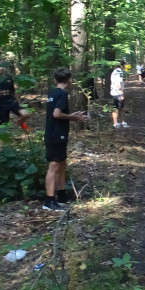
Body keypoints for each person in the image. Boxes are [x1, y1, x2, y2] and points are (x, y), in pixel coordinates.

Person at [43, 67, 89, 211]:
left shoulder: (53, 93)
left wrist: (70, 116)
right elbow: (57, 114)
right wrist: (73, 117)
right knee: (54, 166)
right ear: (70, 79)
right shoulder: (62, 94)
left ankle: (61, 195)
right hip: (56, 135)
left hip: (53, 133)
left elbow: (55, 113)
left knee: (62, 164)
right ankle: (49, 201)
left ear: (55, 80)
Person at [0, 61, 31, 131]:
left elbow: (13, 92)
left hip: (11, 102)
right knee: (3, 127)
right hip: (1, 105)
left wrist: (18, 102)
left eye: (3, 65)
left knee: (25, 114)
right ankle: (3, 140)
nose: (1, 67)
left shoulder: (9, 78)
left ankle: (21, 123)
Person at [110, 63, 128, 128]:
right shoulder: (119, 72)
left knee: (120, 108)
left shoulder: (115, 72)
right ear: (122, 65)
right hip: (117, 93)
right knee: (117, 108)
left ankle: (121, 122)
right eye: (125, 65)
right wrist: (121, 94)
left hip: (115, 92)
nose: (126, 67)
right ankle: (116, 123)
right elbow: (118, 84)